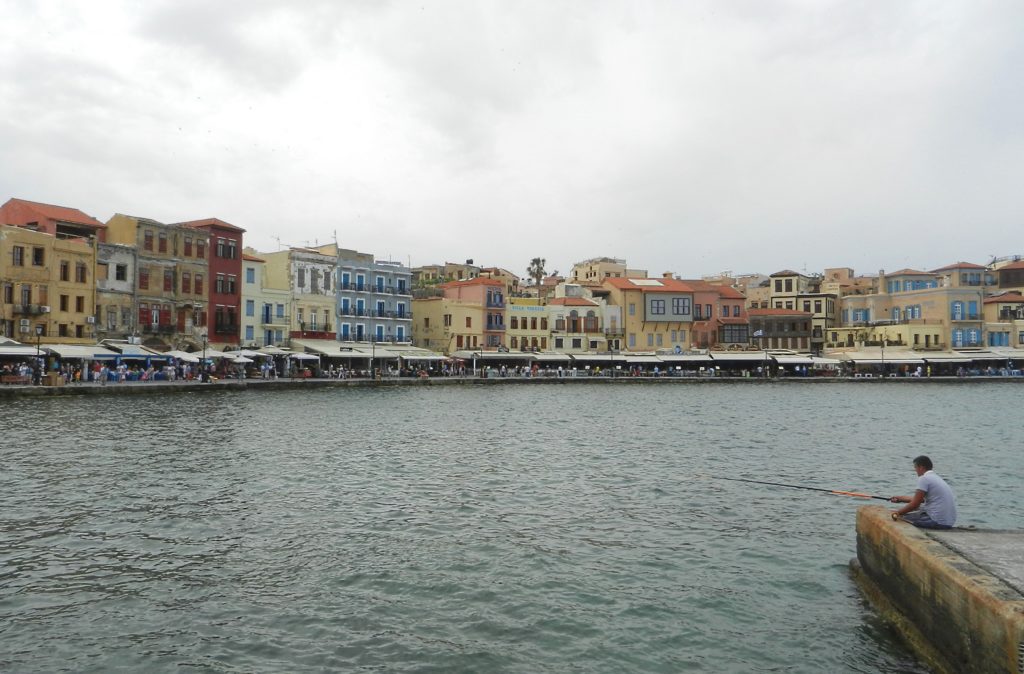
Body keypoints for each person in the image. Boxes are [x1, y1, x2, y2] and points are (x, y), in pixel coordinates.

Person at [890, 455, 957, 529]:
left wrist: (898, 513)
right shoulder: (936, 478)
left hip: (937, 522)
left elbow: (915, 504)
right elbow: (920, 500)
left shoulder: (924, 478)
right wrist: (900, 499)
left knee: (902, 518)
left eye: (915, 467)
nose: (915, 470)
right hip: (948, 523)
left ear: (921, 467)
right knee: (916, 511)